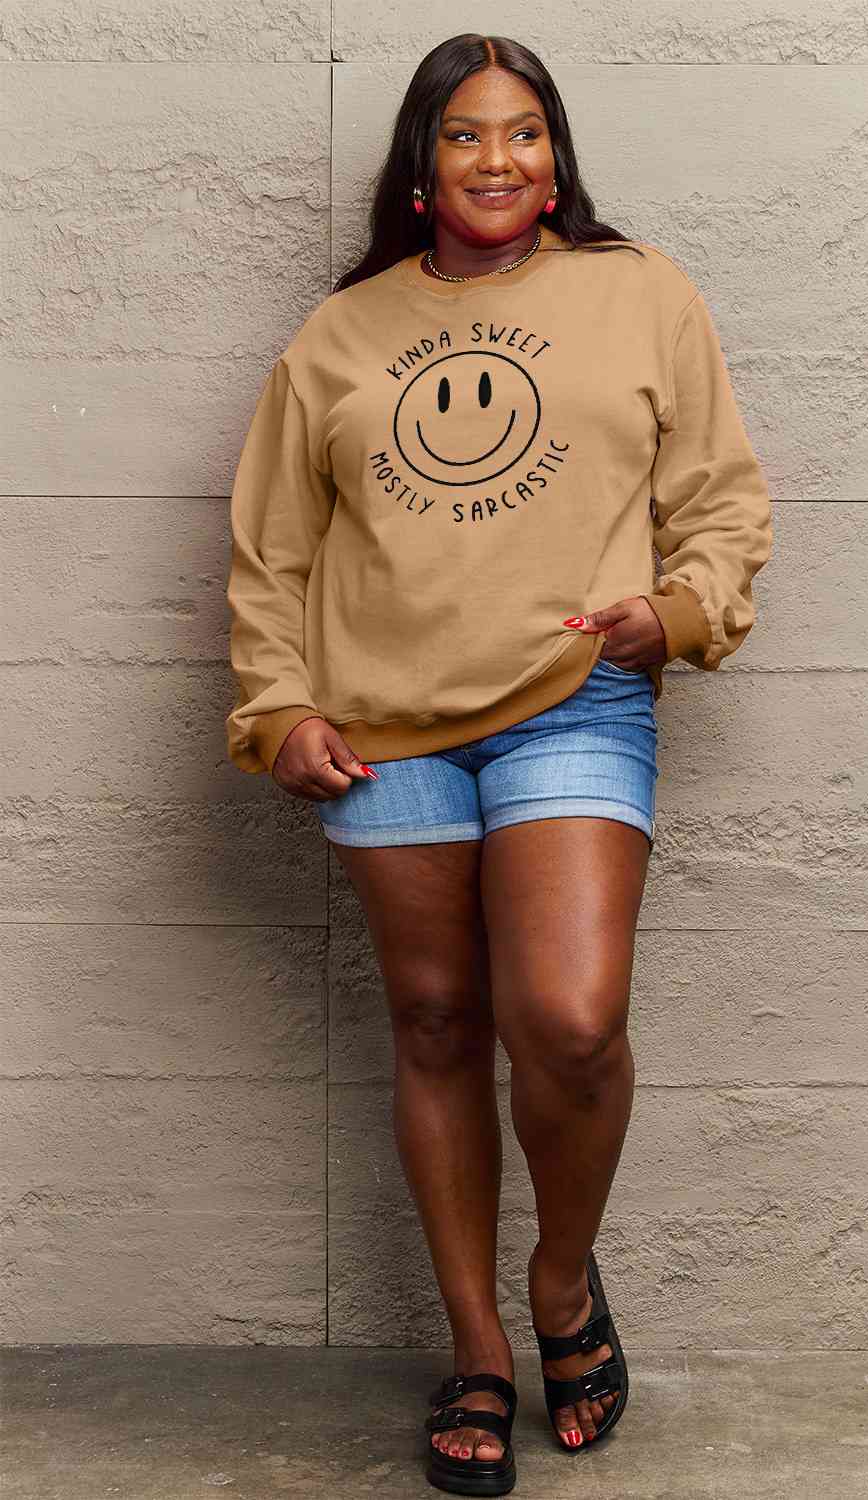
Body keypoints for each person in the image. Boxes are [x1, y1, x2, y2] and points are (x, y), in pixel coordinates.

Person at [225, 31, 773, 1497]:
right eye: (464, 134)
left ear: (556, 155)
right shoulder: (339, 337)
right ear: (421, 164)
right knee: (437, 1021)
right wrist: (279, 708)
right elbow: (273, 550)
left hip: (571, 700)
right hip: (381, 727)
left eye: (524, 132)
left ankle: (562, 1280)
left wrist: (678, 611)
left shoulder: (638, 292)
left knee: (571, 1021)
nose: (497, 160)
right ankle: (475, 1345)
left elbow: (721, 498)